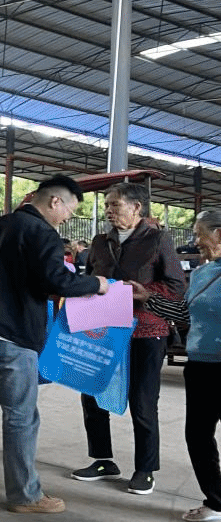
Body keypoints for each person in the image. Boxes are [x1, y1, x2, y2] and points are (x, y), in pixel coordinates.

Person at [0, 176, 106, 513]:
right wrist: (97, 284)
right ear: (54, 201)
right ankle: (25, 495)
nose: (67, 218)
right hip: (10, 333)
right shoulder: (42, 233)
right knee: (20, 416)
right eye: (69, 211)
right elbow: (56, 281)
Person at [71, 183, 186, 495]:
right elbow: (89, 279)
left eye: (115, 204)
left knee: (142, 400)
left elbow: (176, 286)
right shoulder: (100, 241)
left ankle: (145, 469)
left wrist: (145, 293)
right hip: (103, 328)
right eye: (107, 204)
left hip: (146, 330)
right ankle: (102, 460)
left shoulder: (158, 240)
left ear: (137, 207)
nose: (109, 210)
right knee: (92, 395)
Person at [145, 211, 221, 522]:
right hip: (201, 364)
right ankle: (216, 500)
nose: (195, 240)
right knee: (198, 435)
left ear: (218, 234)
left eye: (199, 233)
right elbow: (185, 313)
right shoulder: (203, 273)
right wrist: (148, 298)